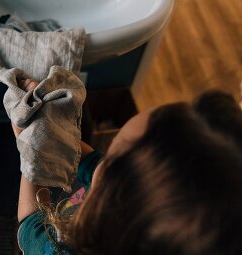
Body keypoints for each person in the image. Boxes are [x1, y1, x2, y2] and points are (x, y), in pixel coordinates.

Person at [14, 79, 242, 255]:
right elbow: (92, 164)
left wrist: (31, 158)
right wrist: (50, 132)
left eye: (113, 153)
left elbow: (28, 225)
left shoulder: (56, 250)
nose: (103, 158)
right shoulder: (142, 210)